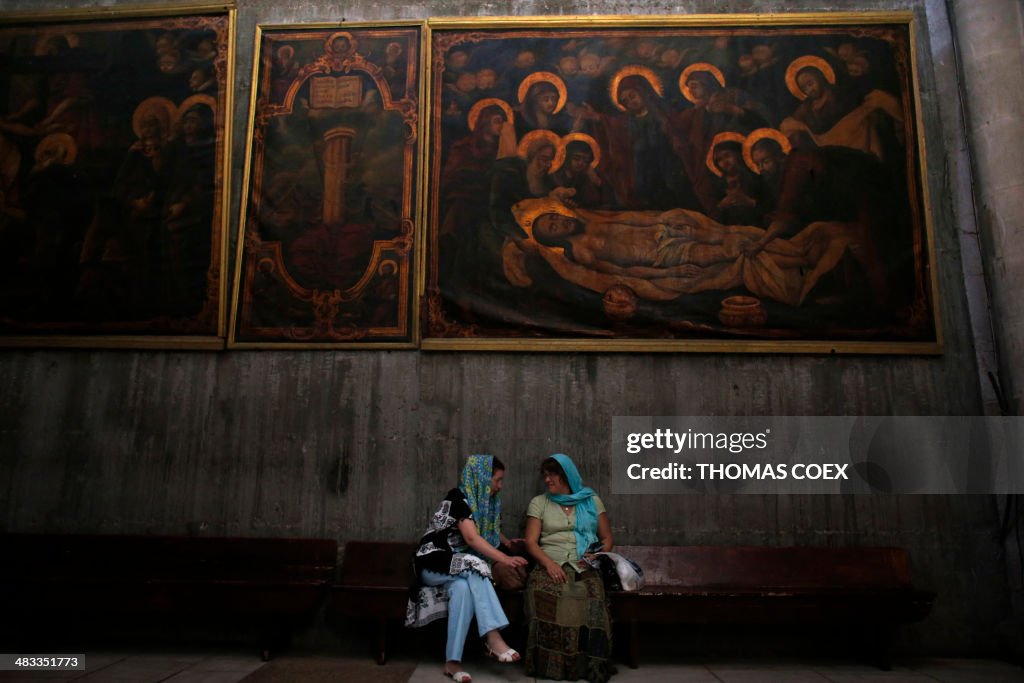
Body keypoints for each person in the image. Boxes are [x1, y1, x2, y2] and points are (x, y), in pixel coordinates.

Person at [406, 455, 528, 683]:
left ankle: (452, 663)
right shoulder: (458, 499)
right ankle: (493, 636)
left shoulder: (481, 502)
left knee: (462, 589)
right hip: (433, 562)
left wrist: (508, 543)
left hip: (455, 568)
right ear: (482, 478)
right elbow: (472, 538)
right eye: (497, 480)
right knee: (475, 566)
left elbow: (482, 529)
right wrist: (505, 558)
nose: (500, 486)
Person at [523, 454, 614, 682]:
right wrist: (549, 564)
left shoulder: (592, 501)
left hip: (584, 564)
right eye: (544, 475)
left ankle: (591, 667)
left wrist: (596, 554)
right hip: (548, 563)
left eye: (551, 474)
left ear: (566, 476)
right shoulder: (539, 503)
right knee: (548, 594)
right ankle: (550, 666)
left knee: (593, 598)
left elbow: (607, 537)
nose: (547, 480)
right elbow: (531, 542)